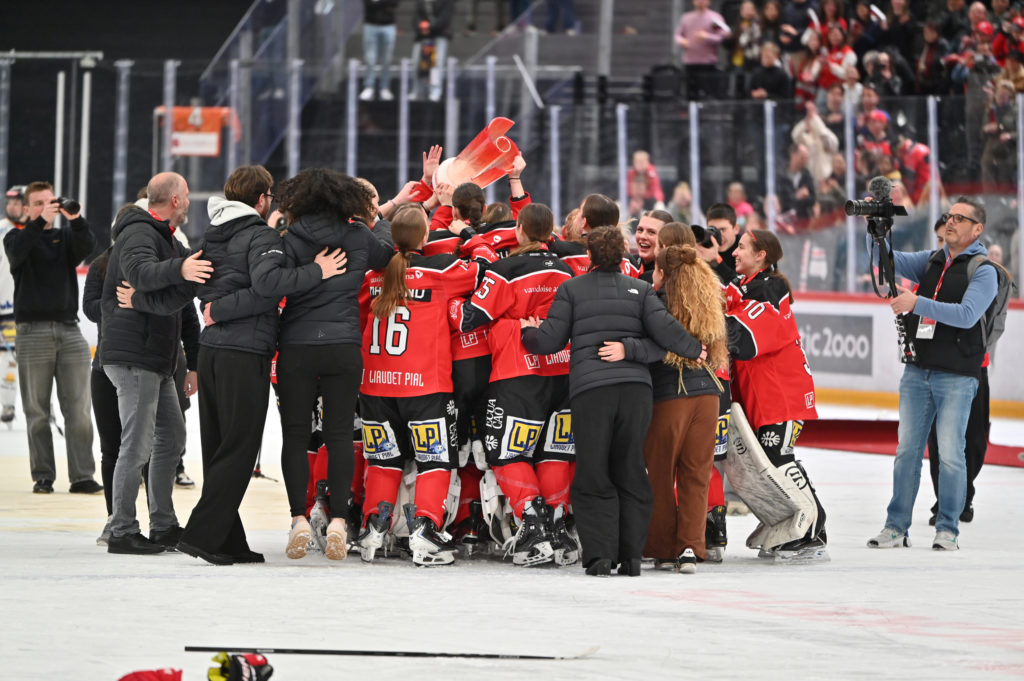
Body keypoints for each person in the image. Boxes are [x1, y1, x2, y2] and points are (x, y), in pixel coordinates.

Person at [174, 165, 347, 565]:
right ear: (261, 198)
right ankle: (201, 536)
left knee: (220, 446)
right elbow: (269, 287)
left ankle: (227, 540)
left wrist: (216, 309)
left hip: (213, 350)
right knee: (240, 446)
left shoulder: (213, 233)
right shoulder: (261, 235)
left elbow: (207, 290)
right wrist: (317, 271)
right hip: (243, 351)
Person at [521, 225, 707, 577]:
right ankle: (631, 557)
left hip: (592, 392)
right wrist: (694, 348)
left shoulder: (571, 289)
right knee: (631, 470)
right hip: (636, 393)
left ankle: (600, 556)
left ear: (589, 255)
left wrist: (527, 332)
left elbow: (548, 342)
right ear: (622, 255)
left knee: (593, 471)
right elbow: (666, 334)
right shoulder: (640, 290)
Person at [275, 168, 394, 560]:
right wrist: (379, 218)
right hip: (343, 345)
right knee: (339, 434)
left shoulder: (291, 238)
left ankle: (299, 519)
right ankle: (340, 522)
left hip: (297, 345)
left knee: (295, 435)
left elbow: (277, 282)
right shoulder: (357, 234)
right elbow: (385, 255)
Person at [867, 197, 998, 551]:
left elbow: (967, 315)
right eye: (949, 216)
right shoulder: (932, 260)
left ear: (977, 229)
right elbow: (885, 260)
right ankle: (896, 526)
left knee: (951, 453)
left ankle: (948, 528)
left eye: (960, 218)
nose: (951, 222)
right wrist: (874, 229)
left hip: (957, 374)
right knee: (906, 451)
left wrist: (917, 303)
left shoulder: (983, 270)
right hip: (917, 370)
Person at [453, 203, 578, 568]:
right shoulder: (567, 270)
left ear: (519, 229)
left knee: (506, 452)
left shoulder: (505, 271)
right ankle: (557, 528)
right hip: (564, 372)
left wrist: (457, 302)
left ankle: (533, 528)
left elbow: (470, 318)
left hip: (518, 372)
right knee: (554, 452)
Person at [356, 204, 480, 566]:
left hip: (375, 385)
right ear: (425, 236)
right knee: (435, 461)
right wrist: (466, 235)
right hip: (424, 386)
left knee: (383, 461)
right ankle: (425, 531)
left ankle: (373, 528)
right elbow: (484, 270)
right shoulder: (440, 271)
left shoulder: (373, 276)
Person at [102, 172, 212, 554]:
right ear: (175, 200)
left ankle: (163, 524)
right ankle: (121, 530)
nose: (189, 202)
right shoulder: (138, 232)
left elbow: (180, 300)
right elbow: (140, 273)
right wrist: (179, 271)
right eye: (187, 195)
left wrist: (192, 361)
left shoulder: (169, 239)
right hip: (135, 356)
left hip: (158, 358)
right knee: (137, 444)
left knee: (172, 437)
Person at [604, 244, 727, 574]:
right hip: (708, 397)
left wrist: (626, 348)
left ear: (660, 272)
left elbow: (655, 346)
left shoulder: (656, 301)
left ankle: (662, 549)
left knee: (659, 475)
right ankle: (690, 548)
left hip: (670, 396)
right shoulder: (706, 301)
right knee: (695, 476)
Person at [725, 229, 828, 561]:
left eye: (742, 247)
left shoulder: (769, 290)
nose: (734, 252)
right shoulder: (748, 288)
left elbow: (742, 340)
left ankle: (813, 531)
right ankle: (791, 522)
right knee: (769, 463)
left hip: (781, 397)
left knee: (779, 458)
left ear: (761, 255)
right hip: (764, 399)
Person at [3, 181, 99, 495]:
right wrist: (40, 221)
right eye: (39, 203)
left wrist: (76, 219)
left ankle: (82, 476)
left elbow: (87, 247)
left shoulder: (64, 238)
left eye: (51, 202)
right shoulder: (15, 237)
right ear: (27, 208)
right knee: (37, 411)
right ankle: (43, 476)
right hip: (32, 332)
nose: (47, 208)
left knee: (79, 409)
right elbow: (18, 252)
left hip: (69, 329)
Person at [0, 185, 26, 424]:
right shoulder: (1, 230)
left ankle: (42, 405)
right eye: (10, 203)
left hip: (22, 310)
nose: (12, 207)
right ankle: (7, 403)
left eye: (17, 203)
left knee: (19, 359)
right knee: (7, 358)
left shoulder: (35, 232)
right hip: (5, 309)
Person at [675, 0, 733, 99]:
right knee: (691, 93)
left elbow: (725, 34)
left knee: (708, 93)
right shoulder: (686, 18)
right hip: (690, 62)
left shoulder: (714, 18)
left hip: (708, 63)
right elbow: (677, 35)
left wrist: (707, 37)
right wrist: (682, 41)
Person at [360, 0, 399, 101]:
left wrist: (378, 2)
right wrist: (384, 4)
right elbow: (368, 3)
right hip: (370, 24)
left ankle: (384, 87)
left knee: (387, 59)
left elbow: (394, 3)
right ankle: (369, 86)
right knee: (370, 58)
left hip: (388, 25)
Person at [635, 209, 673, 279]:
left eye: (651, 232)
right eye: (640, 230)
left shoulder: (674, 274)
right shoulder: (628, 264)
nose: (642, 236)